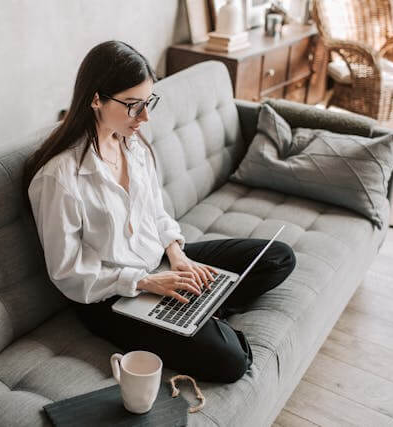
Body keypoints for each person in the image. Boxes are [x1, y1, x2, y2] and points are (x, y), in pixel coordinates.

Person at [23, 40, 296, 383]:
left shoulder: (132, 145)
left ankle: (196, 306)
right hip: (111, 296)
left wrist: (177, 255)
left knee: (278, 257)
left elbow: (156, 213)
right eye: (135, 105)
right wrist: (146, 282)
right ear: (96, 99)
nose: (146, 117)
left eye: (148, 102)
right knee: (232, 361)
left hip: (159, 264)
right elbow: (68, 273)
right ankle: (197, 311)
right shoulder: (59, 178)